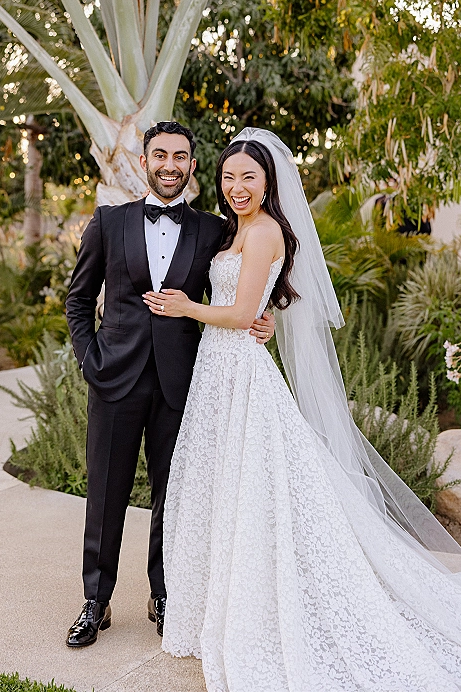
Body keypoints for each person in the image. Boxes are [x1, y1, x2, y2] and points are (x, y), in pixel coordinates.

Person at [143, 128, 461, 692]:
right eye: (228, 176)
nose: (237, 186)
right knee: (225, 491)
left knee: (255, 493)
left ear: (269, 182)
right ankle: (216, 609)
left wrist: (185, 307)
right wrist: (254, 321)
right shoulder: (235, 229)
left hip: (240, 376)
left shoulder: (266, 229)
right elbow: (257, 311)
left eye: (249, 176)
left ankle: (265, 610)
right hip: (219, 373)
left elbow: (243, 309)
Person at [64, 121, 274, 648]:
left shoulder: (211, 230)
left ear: (192, 166)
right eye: (160, 155)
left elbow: (245, 278)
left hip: (184, 384)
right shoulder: (108, 223)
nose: (169, 165)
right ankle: (96, 600)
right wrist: (91, 360)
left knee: (173, 495)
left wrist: (264, 316)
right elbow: (77, 299)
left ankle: (165, 595)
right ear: (143, 161)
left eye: (180, 157)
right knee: (106, 492)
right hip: (114, 379)